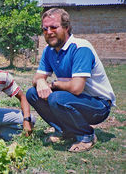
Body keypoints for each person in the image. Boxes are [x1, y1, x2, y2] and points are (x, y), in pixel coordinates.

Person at [26, 8, 116, 152]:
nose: (48, 32)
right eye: (45, 28)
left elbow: (76, 88)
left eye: (54, 27)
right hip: (74, 100)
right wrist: (41, 81)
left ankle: (86, 135)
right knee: (32, 93)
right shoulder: (49, 50)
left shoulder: (81, 48)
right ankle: (64, 131)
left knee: (56, 98)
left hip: (98, 105)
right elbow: (37, 78)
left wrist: (53, 84)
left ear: (66, 27)